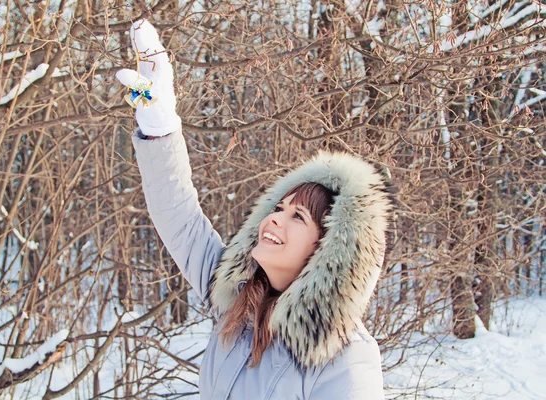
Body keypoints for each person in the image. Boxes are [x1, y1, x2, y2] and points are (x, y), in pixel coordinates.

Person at [117, 18, 393, 400]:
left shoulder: (343, 356)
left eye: (298, 216)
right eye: (279, 207)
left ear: (328, 252)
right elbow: (178, 216)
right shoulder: (234, 301)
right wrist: (159, 125)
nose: (275, 218)